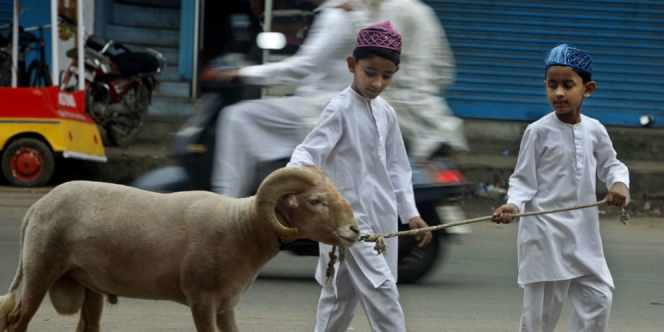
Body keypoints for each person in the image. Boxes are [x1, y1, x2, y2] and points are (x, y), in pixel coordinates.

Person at [287, 21, 432, 331]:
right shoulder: (338, 109)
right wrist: (288, 185)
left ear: (396, 72)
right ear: (352, 65)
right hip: (348, 221)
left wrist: (411, 213)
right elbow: (307, 152)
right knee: (382, 293)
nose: (377, 82)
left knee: (340, 297)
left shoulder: (387, 112)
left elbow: (398, 167)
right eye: (370, 72)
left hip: (381, 218)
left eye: (386, 76)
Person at [491, 44, 629, 332]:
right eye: (552, 85)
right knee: (541, 317)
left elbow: (612, 165)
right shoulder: (538, 131)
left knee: (599, 298)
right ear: (545, 86)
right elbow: (523, 180)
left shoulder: (594, 129)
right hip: (545, 237)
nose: (559, 93)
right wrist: (513, 204)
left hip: (583, 236)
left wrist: (618, 184)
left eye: (568, 85)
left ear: (587, 89)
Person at [208, 0, 378, 198]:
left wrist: (241, 74)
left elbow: (302, 67)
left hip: (322, 108)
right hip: (330, 104)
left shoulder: (336, 17)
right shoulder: (350, 13)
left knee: (237, 117)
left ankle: (226, 207)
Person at [377, 0, 469, 160]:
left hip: (401, 107)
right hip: (431, 109)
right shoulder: (424, 10)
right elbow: (445, 67)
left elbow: (379, 55)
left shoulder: (392, 9)